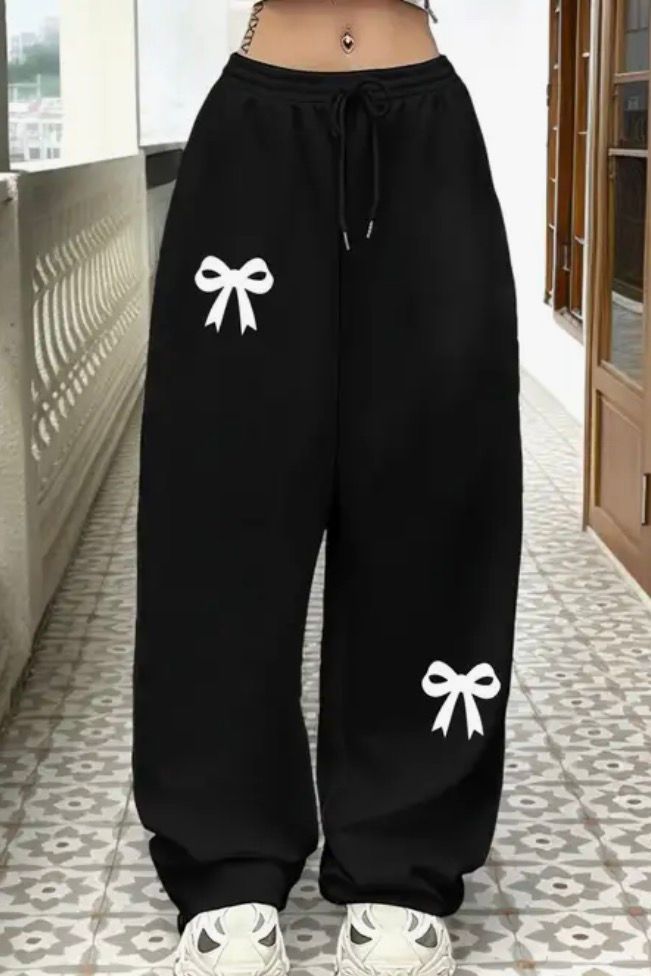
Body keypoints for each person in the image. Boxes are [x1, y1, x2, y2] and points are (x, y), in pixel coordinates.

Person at [132, 1, 522, 974]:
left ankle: (401, 855)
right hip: (255, 141)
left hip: (425, 137)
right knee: (219, 504)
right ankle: (225, 858)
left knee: (439, 490)